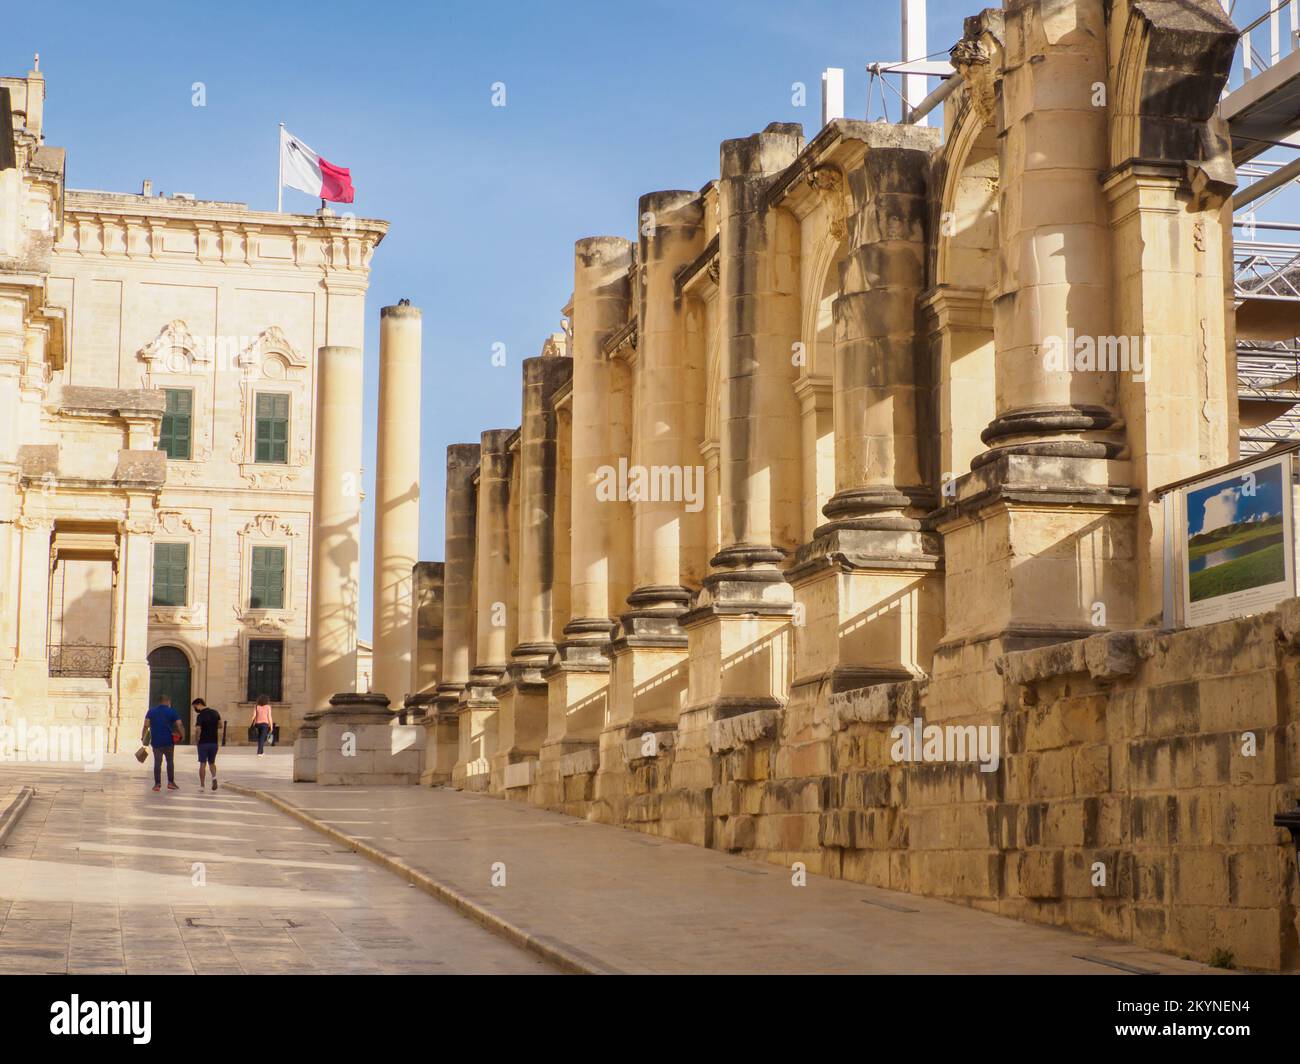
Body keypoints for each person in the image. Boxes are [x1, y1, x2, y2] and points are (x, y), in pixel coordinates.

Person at [142, 694, 183, 792]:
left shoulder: (151, 711)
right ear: (168, 701)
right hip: (168, 740)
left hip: (156, 741)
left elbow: (146, 725)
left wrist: (143, 738)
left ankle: (157, 784)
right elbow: (179, 724)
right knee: (170, 761)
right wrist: (182, 735)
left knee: (157, 762)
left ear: (159, 702)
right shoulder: (172, 711)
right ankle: (170, 782)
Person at [193, 698, 221, 791]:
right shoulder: (215, 713)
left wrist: (197, 739)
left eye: (195, 706)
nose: (195, 709)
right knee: (212, 762)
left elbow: (198, 729)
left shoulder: (200, 716)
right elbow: (220, 725)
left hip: (203, 743)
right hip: (214, 742)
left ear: (199, 704)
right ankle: (214, 778)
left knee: (202, 764)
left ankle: (202, 786)